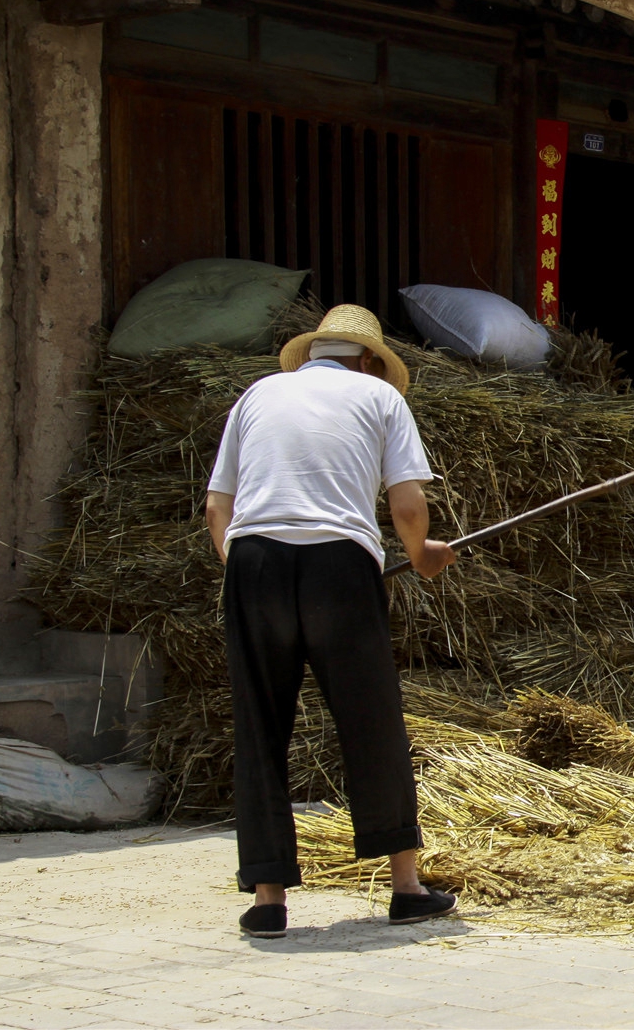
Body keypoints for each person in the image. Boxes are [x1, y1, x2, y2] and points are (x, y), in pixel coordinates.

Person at [204, 304, 460, 940]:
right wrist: (422, 556)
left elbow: (218, 506)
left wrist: (250, 570)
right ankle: (405, 887)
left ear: (314, 352)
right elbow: (406, 502)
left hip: (254, 560)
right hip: (340, 569)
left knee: (260, 725)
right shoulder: (378, 396)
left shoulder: (257, 395)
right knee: (370, 717)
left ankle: (267, 899)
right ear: (371, 360)